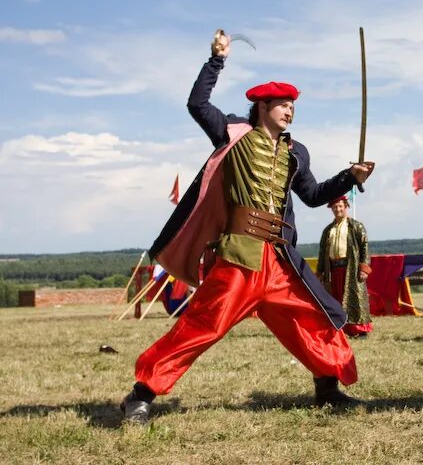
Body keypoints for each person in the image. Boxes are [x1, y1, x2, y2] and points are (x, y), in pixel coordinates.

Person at [120, 31, 375, 424]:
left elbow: (312, 194)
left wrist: (349, 176)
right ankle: (142, 393)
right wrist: (216, 60)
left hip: (280, 260)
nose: (289, 111)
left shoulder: (296, 152)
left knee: (313, 317)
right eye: (282, 104)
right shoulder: (233, 134)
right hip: (239, 256)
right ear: (262, 106)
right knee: (204, 325)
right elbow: (197, 103)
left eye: (292, 105)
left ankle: (327, 388)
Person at [317, 196, 373, 338]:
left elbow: (364, 247)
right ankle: (341, 330)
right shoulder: (328, 230)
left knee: (355, 299)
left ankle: (360, 330)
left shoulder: (356, 226)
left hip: (351, 269)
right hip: (333, 271)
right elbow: (322, 251)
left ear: (346, 206)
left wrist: (364, 268)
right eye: (335, 207)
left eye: (340, 206)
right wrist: (320, 272)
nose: (338, 209)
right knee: (336, 301)